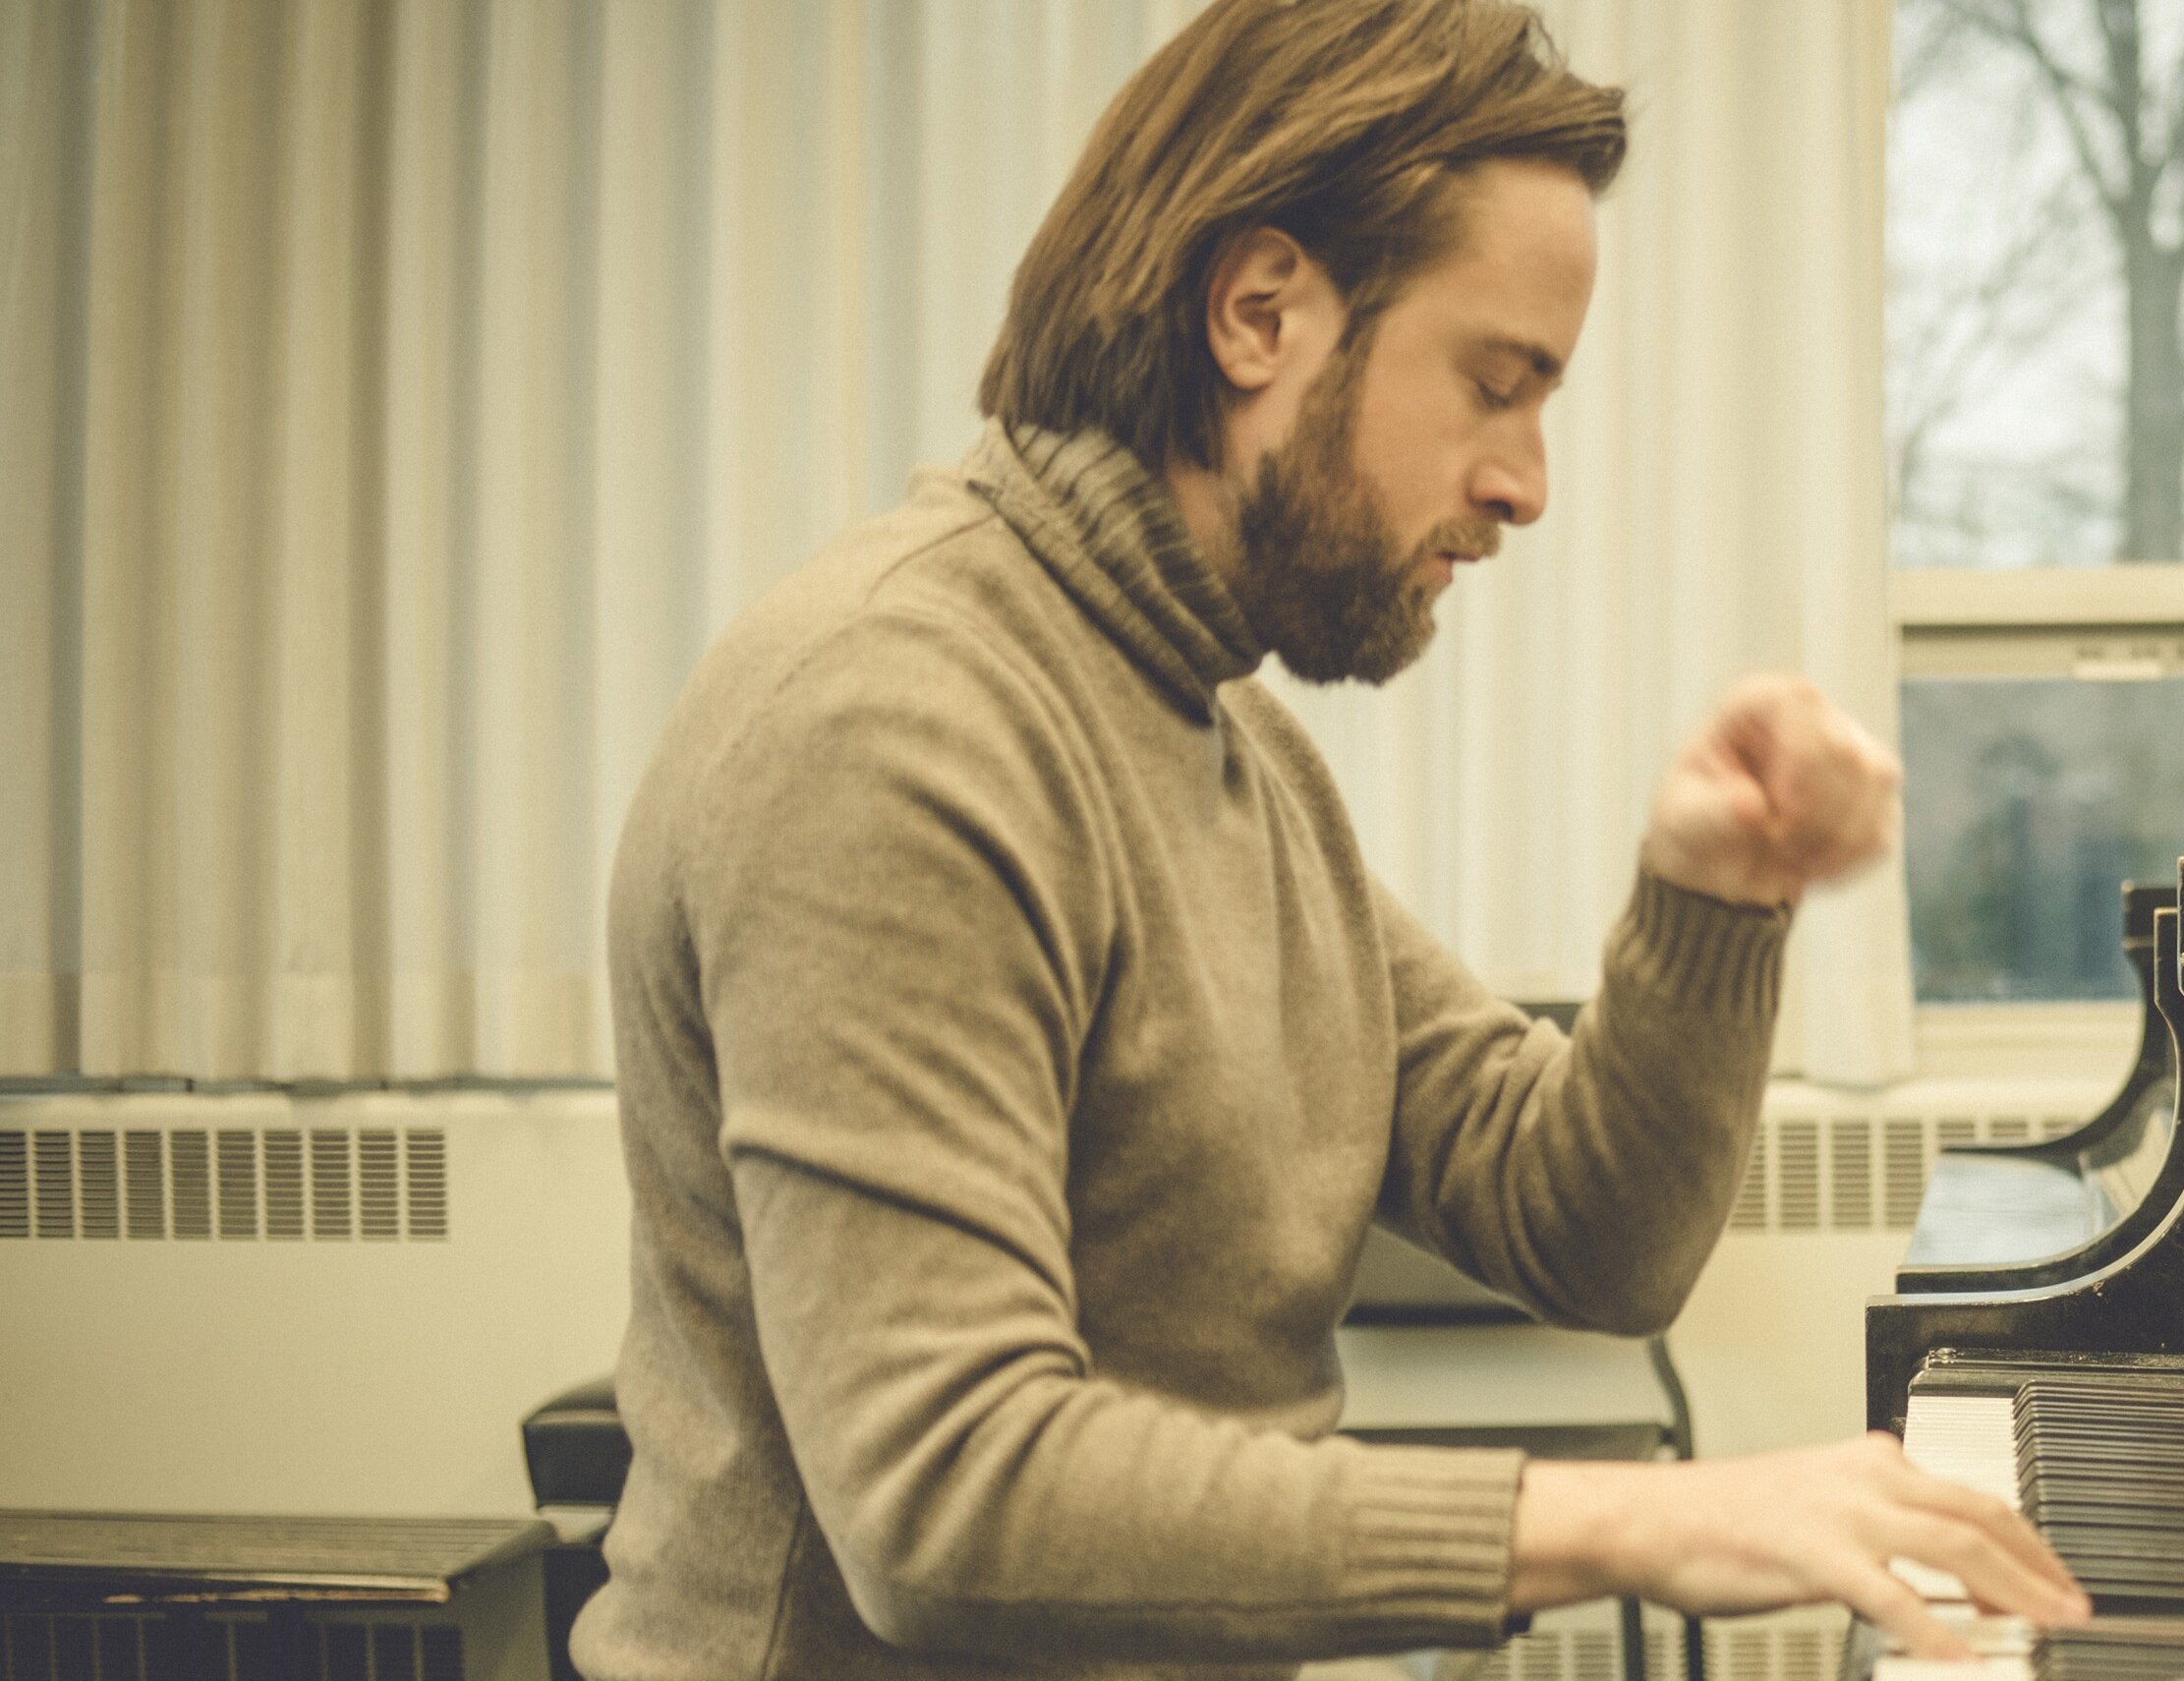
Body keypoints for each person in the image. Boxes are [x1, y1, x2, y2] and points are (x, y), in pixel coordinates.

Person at [578, 3, 2087, 1676]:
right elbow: (945, 1498)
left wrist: (1709, 899)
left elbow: (1589, 1230)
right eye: (1495, 384)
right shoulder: (890, 725)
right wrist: (1632, 1520)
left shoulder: (1228, 744)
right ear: (1259, 310)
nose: (1525, 484)